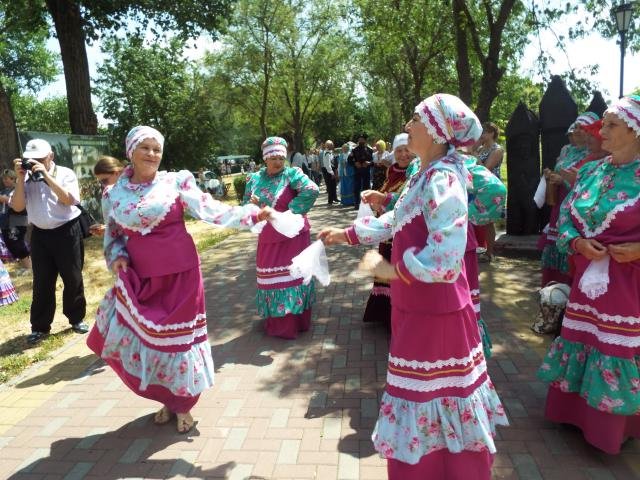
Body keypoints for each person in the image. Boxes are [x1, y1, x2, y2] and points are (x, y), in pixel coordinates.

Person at [320, 94, 508, 479]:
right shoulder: (425, 173)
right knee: (424, 393)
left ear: (437, 130)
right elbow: (395, 220)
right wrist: (346, 235)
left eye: (415, 120)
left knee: (435, 393)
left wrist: (394, 271)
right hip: (418, 305)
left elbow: (447, 253)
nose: (407, 128)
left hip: (435, 311)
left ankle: (448, 470)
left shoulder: (444, 176)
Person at [87, 126, 267, 433]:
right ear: (131, 151)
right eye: (145, 147)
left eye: (157, 149)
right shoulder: (113, 194)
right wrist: (117, 255)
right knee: (152, 343)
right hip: (140, 277)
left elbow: (210, 210)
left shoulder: (175, 182)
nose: (152, 154)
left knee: (180, 344)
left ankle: (184, 405)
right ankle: (167, 398)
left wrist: (250, 215)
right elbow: (114, 234)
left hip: (180, 275)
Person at [537, 95, 640, 454]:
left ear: (636, 130)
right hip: (587, 279)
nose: (601, 131)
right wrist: (577, 242)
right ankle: (572, 413)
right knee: (582, 338)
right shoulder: (593, 170)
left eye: (611, 125)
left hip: (628, 285)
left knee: (614, 346)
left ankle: (611, 429)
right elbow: (565, 215)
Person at [10, 138, 89, 345]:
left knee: (72, 277)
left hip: (66, 231)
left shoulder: (65, 173)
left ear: (50, 156)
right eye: (30, 159)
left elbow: (69, 200)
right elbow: (17, 207)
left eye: (39, 159)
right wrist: (20, 179)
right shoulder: (25, 177)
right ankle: (39, 327)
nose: (34, 162)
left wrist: (46, 176)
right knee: (42, 281)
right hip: (40, 235)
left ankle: (76, 318)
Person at [242, 136, 319, 339]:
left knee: (293, 277)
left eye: (281, 158)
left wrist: (289, 213)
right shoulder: (254, 179)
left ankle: (297, 322)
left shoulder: (292, 175)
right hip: (268, 237)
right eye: (273, 157)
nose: (278, 162)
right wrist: (254, 206)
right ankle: (279, 324)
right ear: (265, 158)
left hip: (293, 236)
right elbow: (244, 206)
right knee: (271, 279)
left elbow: (312, 190)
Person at [359, 133, 413, 326]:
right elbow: (384, 191)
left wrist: (382, 201)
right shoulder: (392, 170)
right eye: (399, 150)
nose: (403, 154)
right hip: (387, 231)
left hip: (405, 232)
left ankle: (400, 316)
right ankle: (384, 315)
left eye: (407, 149)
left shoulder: (417, 172)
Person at [538, 113, 595, 287]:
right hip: (560, 201)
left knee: (571, 242)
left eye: (582, 128)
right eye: (575, 127)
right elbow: (561, 171)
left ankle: (567, 289)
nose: (576, 131)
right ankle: (551, 289)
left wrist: (563, 180)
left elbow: (593, 185)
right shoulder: (566, 150)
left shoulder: (594, 154)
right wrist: (552, 176)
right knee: (555, 240)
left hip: (578, 204)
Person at [472, 122, 504, 263]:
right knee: (473, 217)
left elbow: (486, 168)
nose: (482, 134)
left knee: (488, 221)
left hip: (491, 190)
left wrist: (473, 154)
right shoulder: (479, 149)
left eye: (484, 131)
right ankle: (475, 249)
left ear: (492, 133)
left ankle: (489, 253)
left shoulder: (497, 150)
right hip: (477, 187)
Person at [0, 169, 30, 273]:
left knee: (17, 242)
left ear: (13, 178)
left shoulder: (18, 189)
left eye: (6, 178)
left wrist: (4, 199)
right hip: (5, 223)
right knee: (10, 243)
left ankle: (29, 267)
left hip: (17, 221)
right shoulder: (3, 191)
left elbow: (14, 202)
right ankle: (26, 266)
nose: (4, 181)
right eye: (3, 179)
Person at [89, 156, 126, 237]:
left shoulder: (137, 187)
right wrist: (105, 228)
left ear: (116, 173)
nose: (103, 184)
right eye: (100, 182)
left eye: (104, 180)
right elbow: (111, 221)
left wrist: (107, 228)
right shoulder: (108, 191)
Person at [349, 133, 373, 209]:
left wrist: (369, 163)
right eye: (359, 139)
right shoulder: (354, 150)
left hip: (366, 171)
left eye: (362, 139)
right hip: (357, 171)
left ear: (365, 140)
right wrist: (355, 163)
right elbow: (349, 160)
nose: (360, 140)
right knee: (356, 188)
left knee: (366, 187)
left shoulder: (370, 150)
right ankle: (356, 203)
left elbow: (374, 162)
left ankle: (366, 203)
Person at [321, 140, 338, 205]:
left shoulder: (329, 152)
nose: (332, 146)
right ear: (328, 146)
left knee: (333, 185)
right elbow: (328, 165)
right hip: (329, 171)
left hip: (330, 170)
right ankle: (330, 200)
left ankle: (334, 198)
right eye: (331, 145)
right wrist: (332, 173)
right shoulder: (327, 153)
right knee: (330, 186)